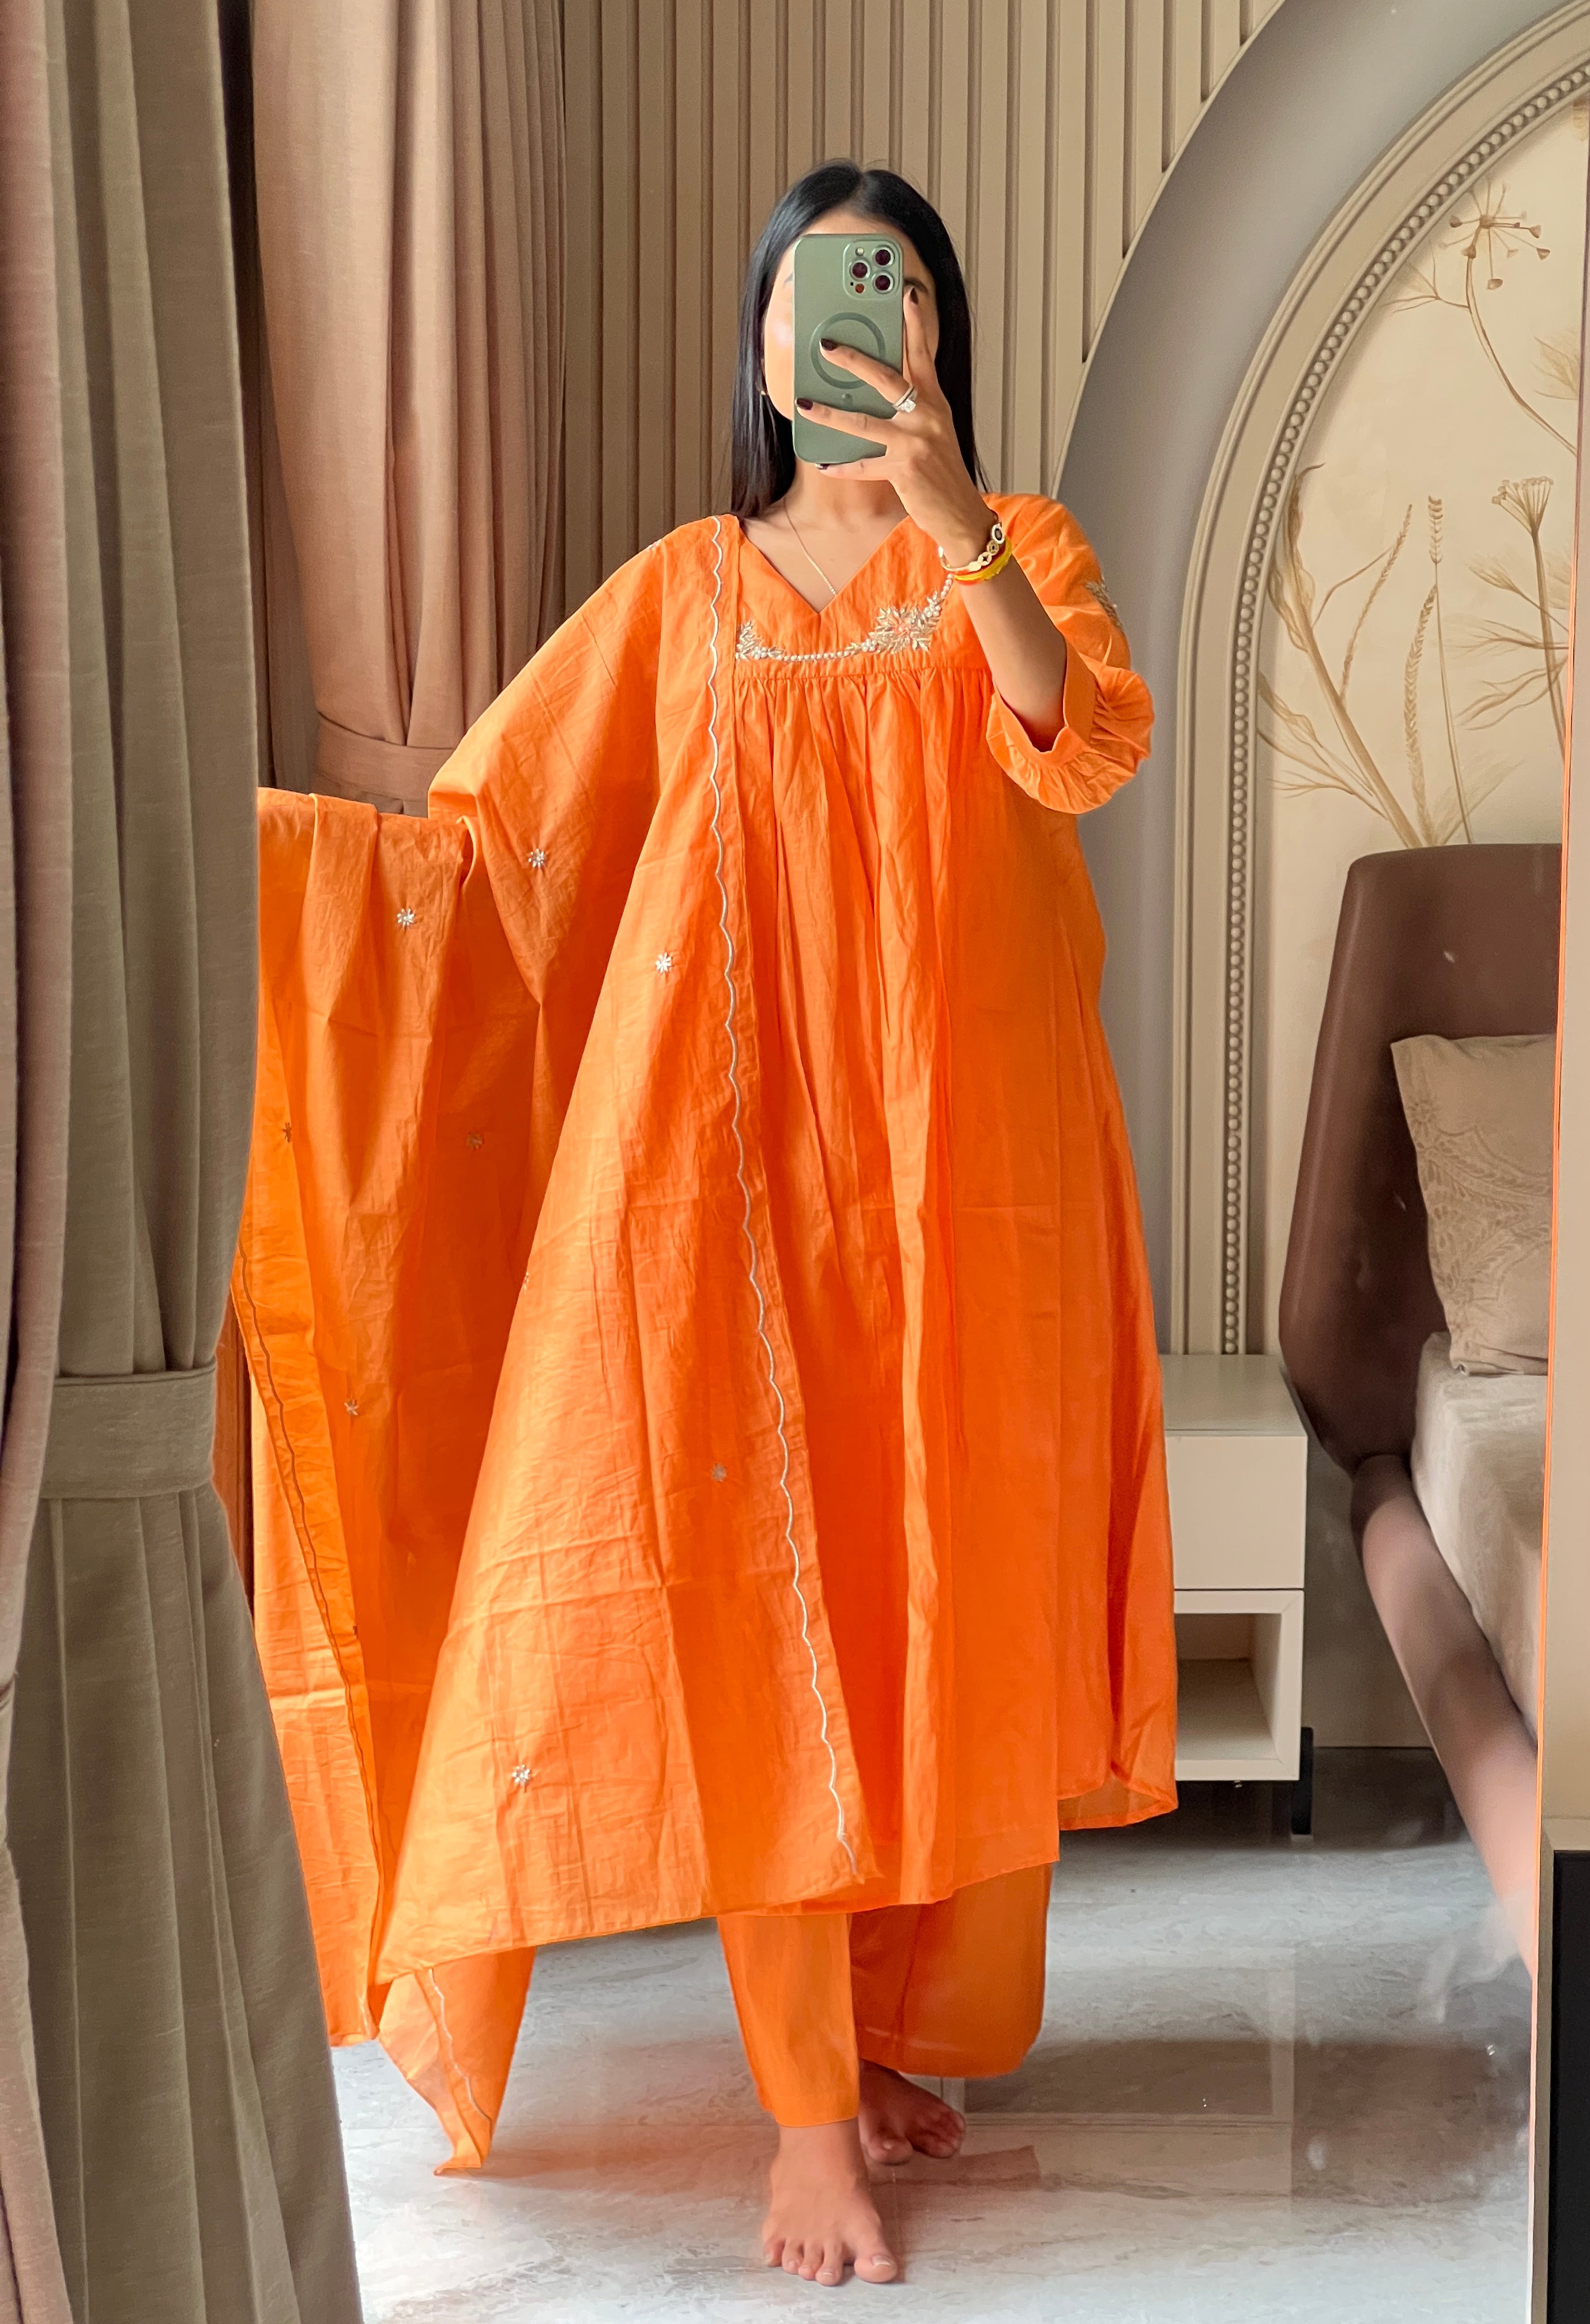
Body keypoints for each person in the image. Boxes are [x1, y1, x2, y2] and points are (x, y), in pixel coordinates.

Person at [236, 160, 1175, 2290]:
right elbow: (489, 856)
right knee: (768, 1618)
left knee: (931, 1599)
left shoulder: (1017, 549)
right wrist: (270, 860)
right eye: (813, 294)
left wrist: (949, 511)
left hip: (966, 1183)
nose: (847, 320)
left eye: (891, 286)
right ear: (761, 342)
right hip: (725, 1189)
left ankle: (880, 2041)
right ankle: (806, 2119)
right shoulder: (684, 594)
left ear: (932, 331)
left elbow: (1081, 745)